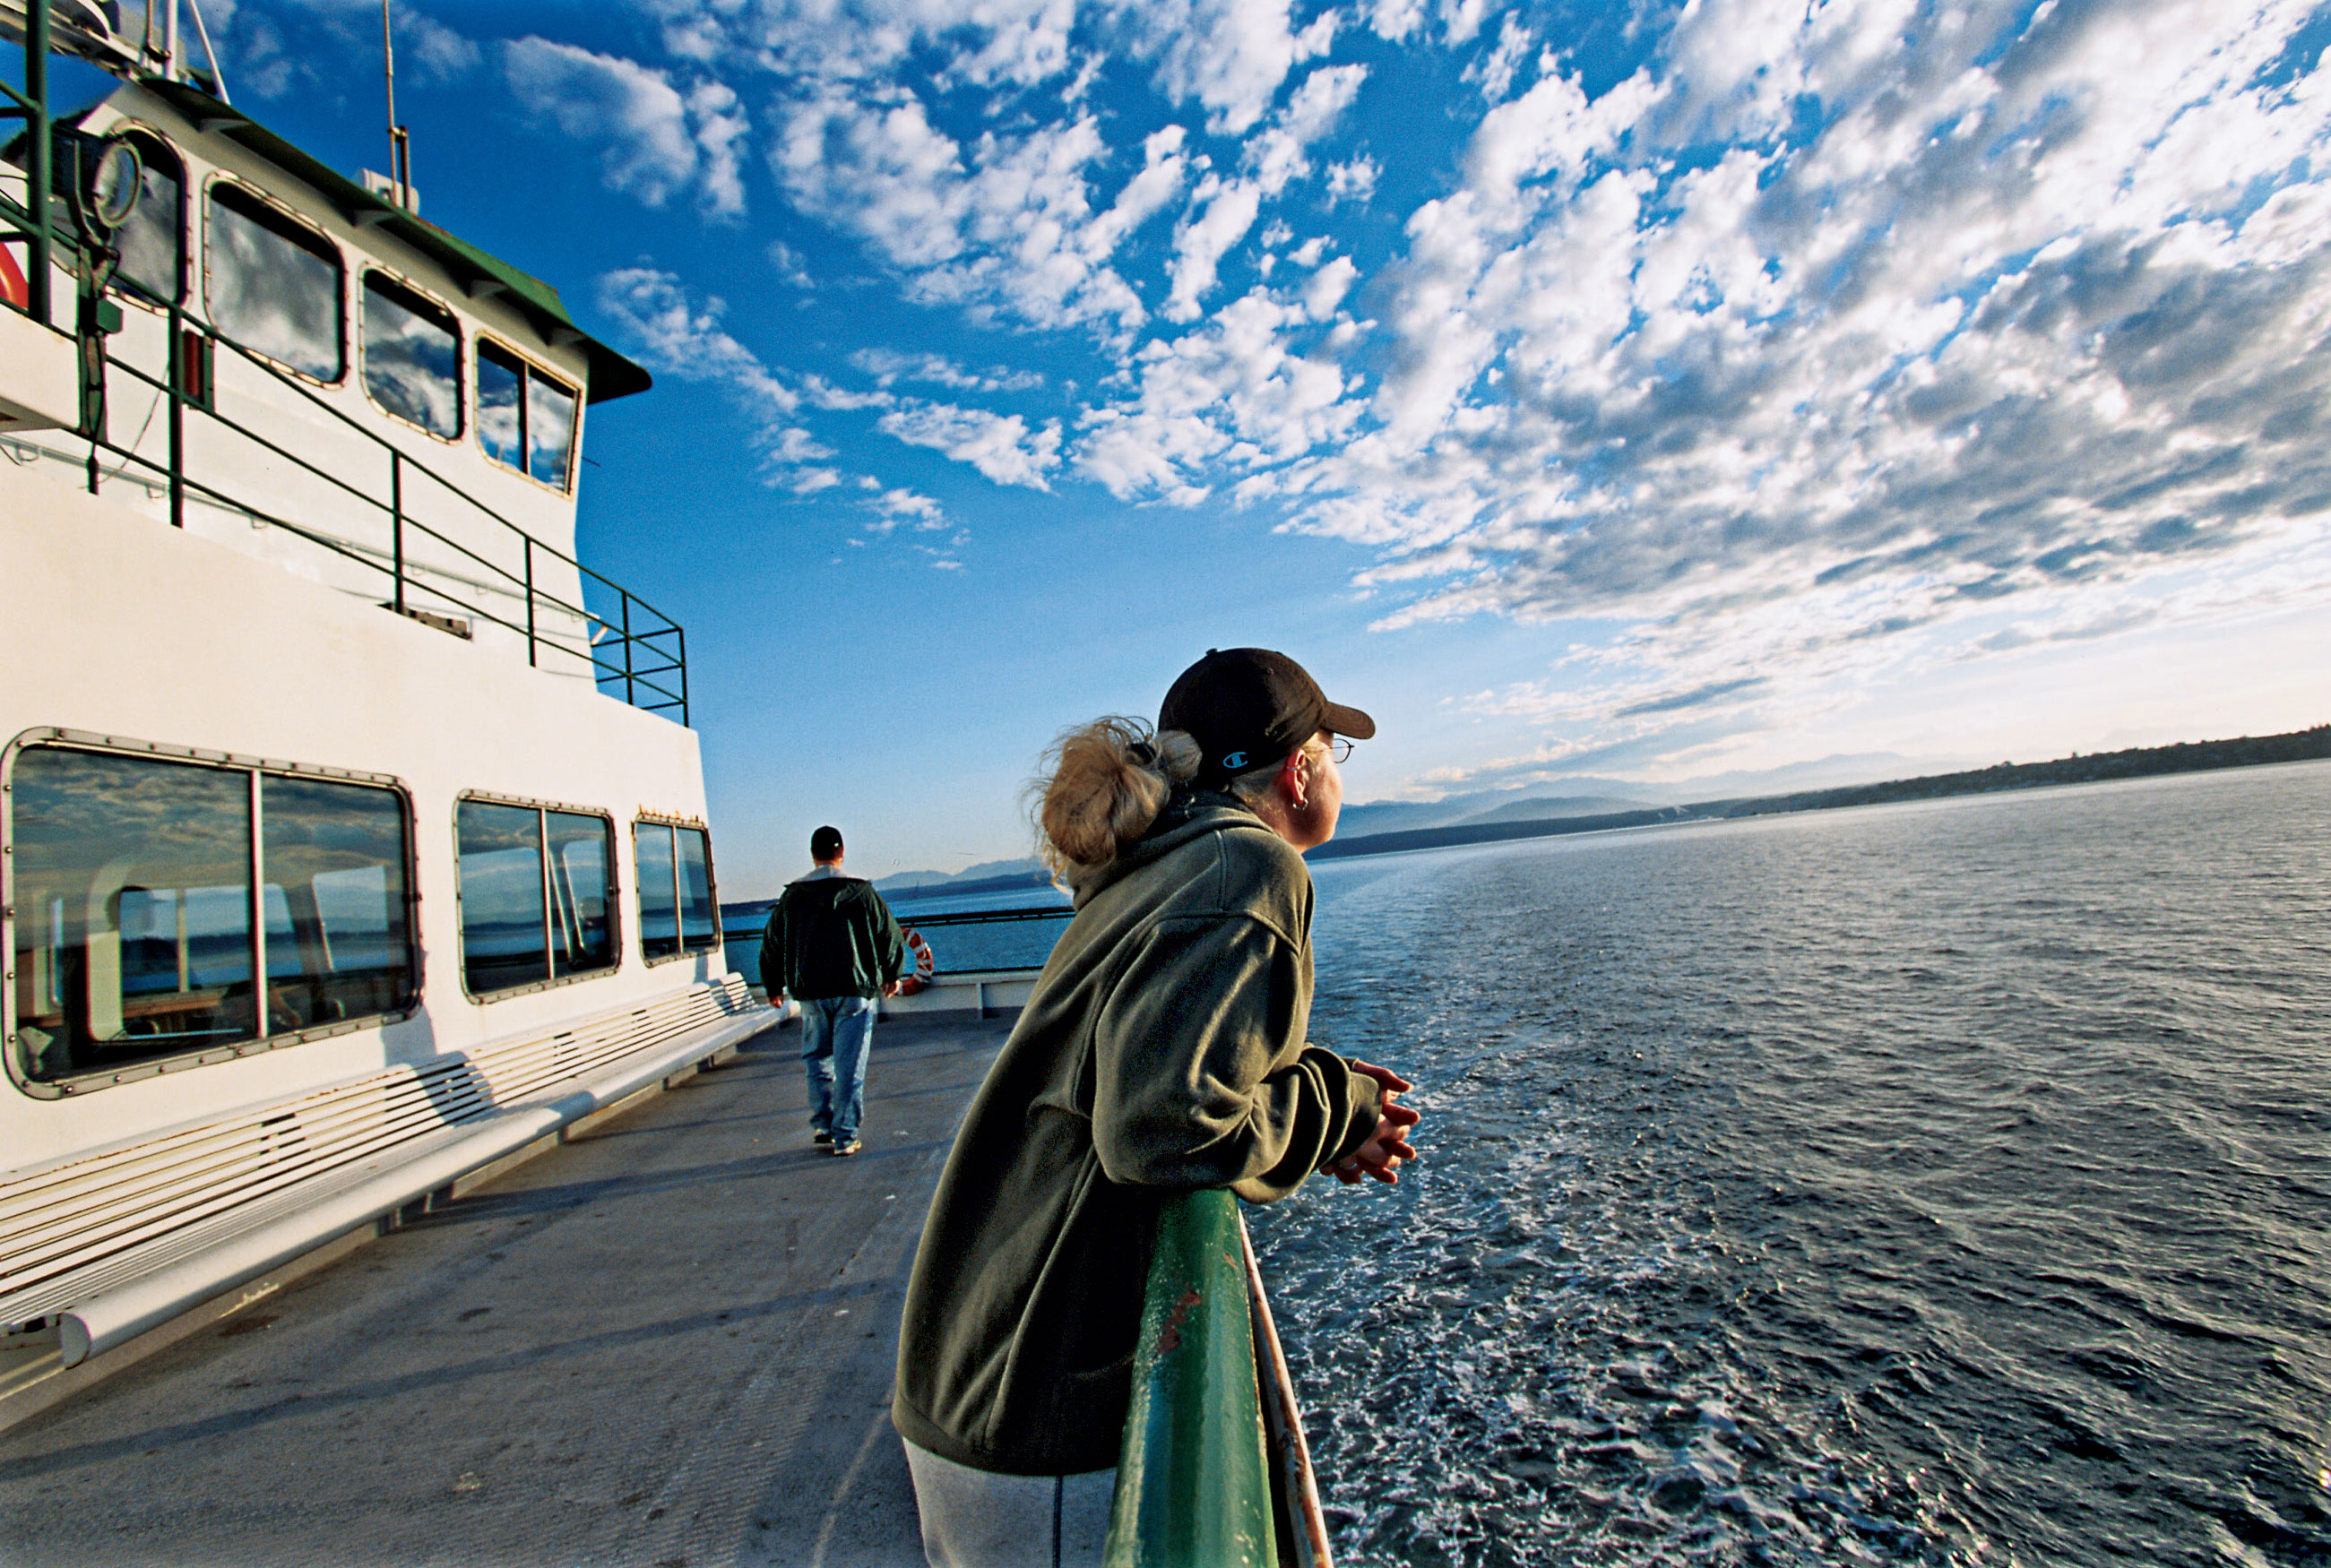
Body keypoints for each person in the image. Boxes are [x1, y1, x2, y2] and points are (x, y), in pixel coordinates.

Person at [891, 647, 1422, 1567]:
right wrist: (1335, 1106)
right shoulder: (1247, 869)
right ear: (1299, 770)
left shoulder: (1160, 868)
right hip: (1036, 1405)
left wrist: (1326, 1109)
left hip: (978, 1374)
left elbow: (1173, 1077)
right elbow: (1167, 1128)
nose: (1338, 768)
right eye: (1335, 748)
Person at [761, 824, 907, 1158]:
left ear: (813, 855)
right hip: (853, 990)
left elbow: (772, 943)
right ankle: (845, 1136)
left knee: (817, 1060)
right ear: (842, 854)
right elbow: (889, 933)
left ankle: (823, 1125)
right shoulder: (863, 892)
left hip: (810, 992)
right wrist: (891, 973)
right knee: (849, 1064)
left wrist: (773, 985)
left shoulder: (793, 896)